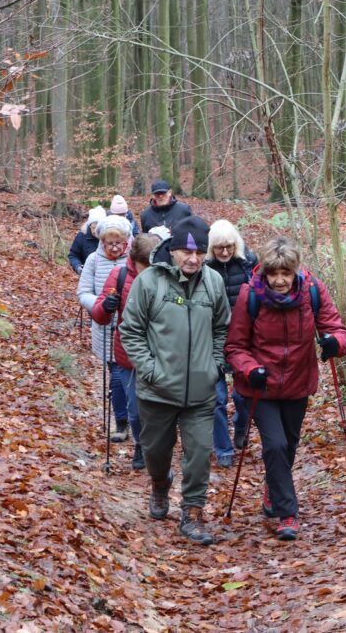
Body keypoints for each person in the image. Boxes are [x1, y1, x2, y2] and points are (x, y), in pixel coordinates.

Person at [225, 237, 346, 541]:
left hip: (298, 383)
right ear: (264, 272)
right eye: (273, 274)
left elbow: (336, 328)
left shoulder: (312, 291)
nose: (279, 281)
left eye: (285, 273)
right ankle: (287, 514)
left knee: (289, 445)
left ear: (295, 270)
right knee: (276, 444)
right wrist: (250, 369)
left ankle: (273, 488)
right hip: (262, 386)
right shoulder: (249, 296)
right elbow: (235, 346)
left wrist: (335, 343)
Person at [119, 216, 231, 546]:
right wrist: (150, 369)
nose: (193, 259)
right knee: (156, 451)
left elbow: (222, 327)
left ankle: (192, 514)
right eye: (186, 252)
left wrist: (214, 365)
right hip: (156, 391)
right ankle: (159, 483)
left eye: (199, 253)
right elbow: (131, 330)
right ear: (173, 251)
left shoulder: (213, 283)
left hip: (200, 391)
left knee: (199, 453)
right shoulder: (150, 282)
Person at [91, 234, 160, 470]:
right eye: (144, 266)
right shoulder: (118, 276)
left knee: (158, 408)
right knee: (135, 409)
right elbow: (99, 314)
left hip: (161, 354)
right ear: (134, 260)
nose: (149, 271)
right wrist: (106, 307)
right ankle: (141, 444)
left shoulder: (167, 276)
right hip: (128, 356)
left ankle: (156, 447)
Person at [205, 220, 259, 467]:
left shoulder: (249, 265)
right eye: (219, 248)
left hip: (243, 342)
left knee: (242, 396)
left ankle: (241, 426)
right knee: (216, 399)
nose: (224, 253)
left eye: (228, 247)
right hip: (211, 341)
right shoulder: (203, 269)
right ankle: (223, 448)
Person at [77, 215, 134, 443]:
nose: (113, 247)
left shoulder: (134, 258)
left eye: (118, 243)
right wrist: (100, 305)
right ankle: (122, 421)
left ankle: (133, 417)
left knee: (128, 375)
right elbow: (83, 292)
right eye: (108, 243)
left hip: (132, 328)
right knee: (117, 374)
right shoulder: (93, 259)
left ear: (126, 241)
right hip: (105, 327)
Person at [68, 206, 106, 274]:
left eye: (98, 228)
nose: (95, 231)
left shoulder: (109, 237)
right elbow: (73, 255)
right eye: (93, 227)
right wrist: (77, 266)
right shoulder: (82, 236)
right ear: (90, 225)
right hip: (87, 275)